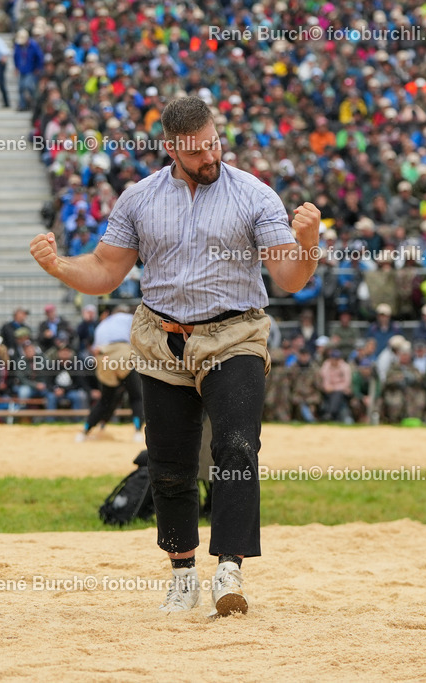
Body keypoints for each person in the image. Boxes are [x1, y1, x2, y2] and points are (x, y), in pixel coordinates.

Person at [30, 96, 320, 617]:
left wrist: (309, 241)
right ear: (171, 149)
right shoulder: (139, 199)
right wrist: (59, 267)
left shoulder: (255, 195)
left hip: (235, 335)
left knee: (236, 446)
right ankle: (182, 573)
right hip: (161, 338)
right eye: (196, 151)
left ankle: (229, 567)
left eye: (214, 144)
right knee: (168, 461)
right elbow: (104, 270)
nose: (210, 156)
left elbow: (291, 279)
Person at [77, 304, 145, 442]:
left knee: (106, 399)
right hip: (122, 352)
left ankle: (85, 431)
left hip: (103, 356)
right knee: (136, 396)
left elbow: (95, 349)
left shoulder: (102, 324)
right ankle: (137, 431)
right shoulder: (129, 318)